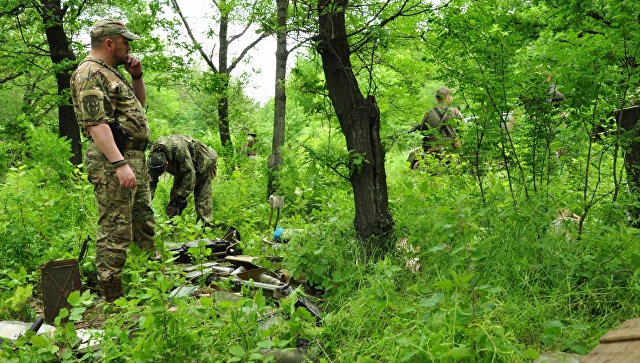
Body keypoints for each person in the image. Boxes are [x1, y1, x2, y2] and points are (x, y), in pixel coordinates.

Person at [70, 19, 159, 302]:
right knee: (115, 227)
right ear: (109, 43)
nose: (129, 46)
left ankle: (152, 279)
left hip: (132, 156)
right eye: (125, 41)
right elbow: (96, 124)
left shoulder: (112, 73)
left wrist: (137, 77)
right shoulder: (89, 73)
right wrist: (119, 164)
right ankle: (112, 295)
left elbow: (138, 109)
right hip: (114, 159)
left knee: (143, 218)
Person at [148, 135, 218, 225]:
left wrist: (182, 195)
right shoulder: (152, 157)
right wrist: (146, 202)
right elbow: (150, 181)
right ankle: (171, 226)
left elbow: (190, 172)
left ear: (167, 163)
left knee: (202, 197)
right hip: (182, 168)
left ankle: (205, 226)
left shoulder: (178, 149)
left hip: (201, 163)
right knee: (175, 197)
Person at [408, 87, 463, 168]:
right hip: (450, 152)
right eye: (450, 95)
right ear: (446, 97)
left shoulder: (428, 113)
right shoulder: (455, 112)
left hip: (432, 152)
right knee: (452, 174)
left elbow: (423, 132)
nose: (451, 97)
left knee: (434, 176)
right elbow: (463, 128)